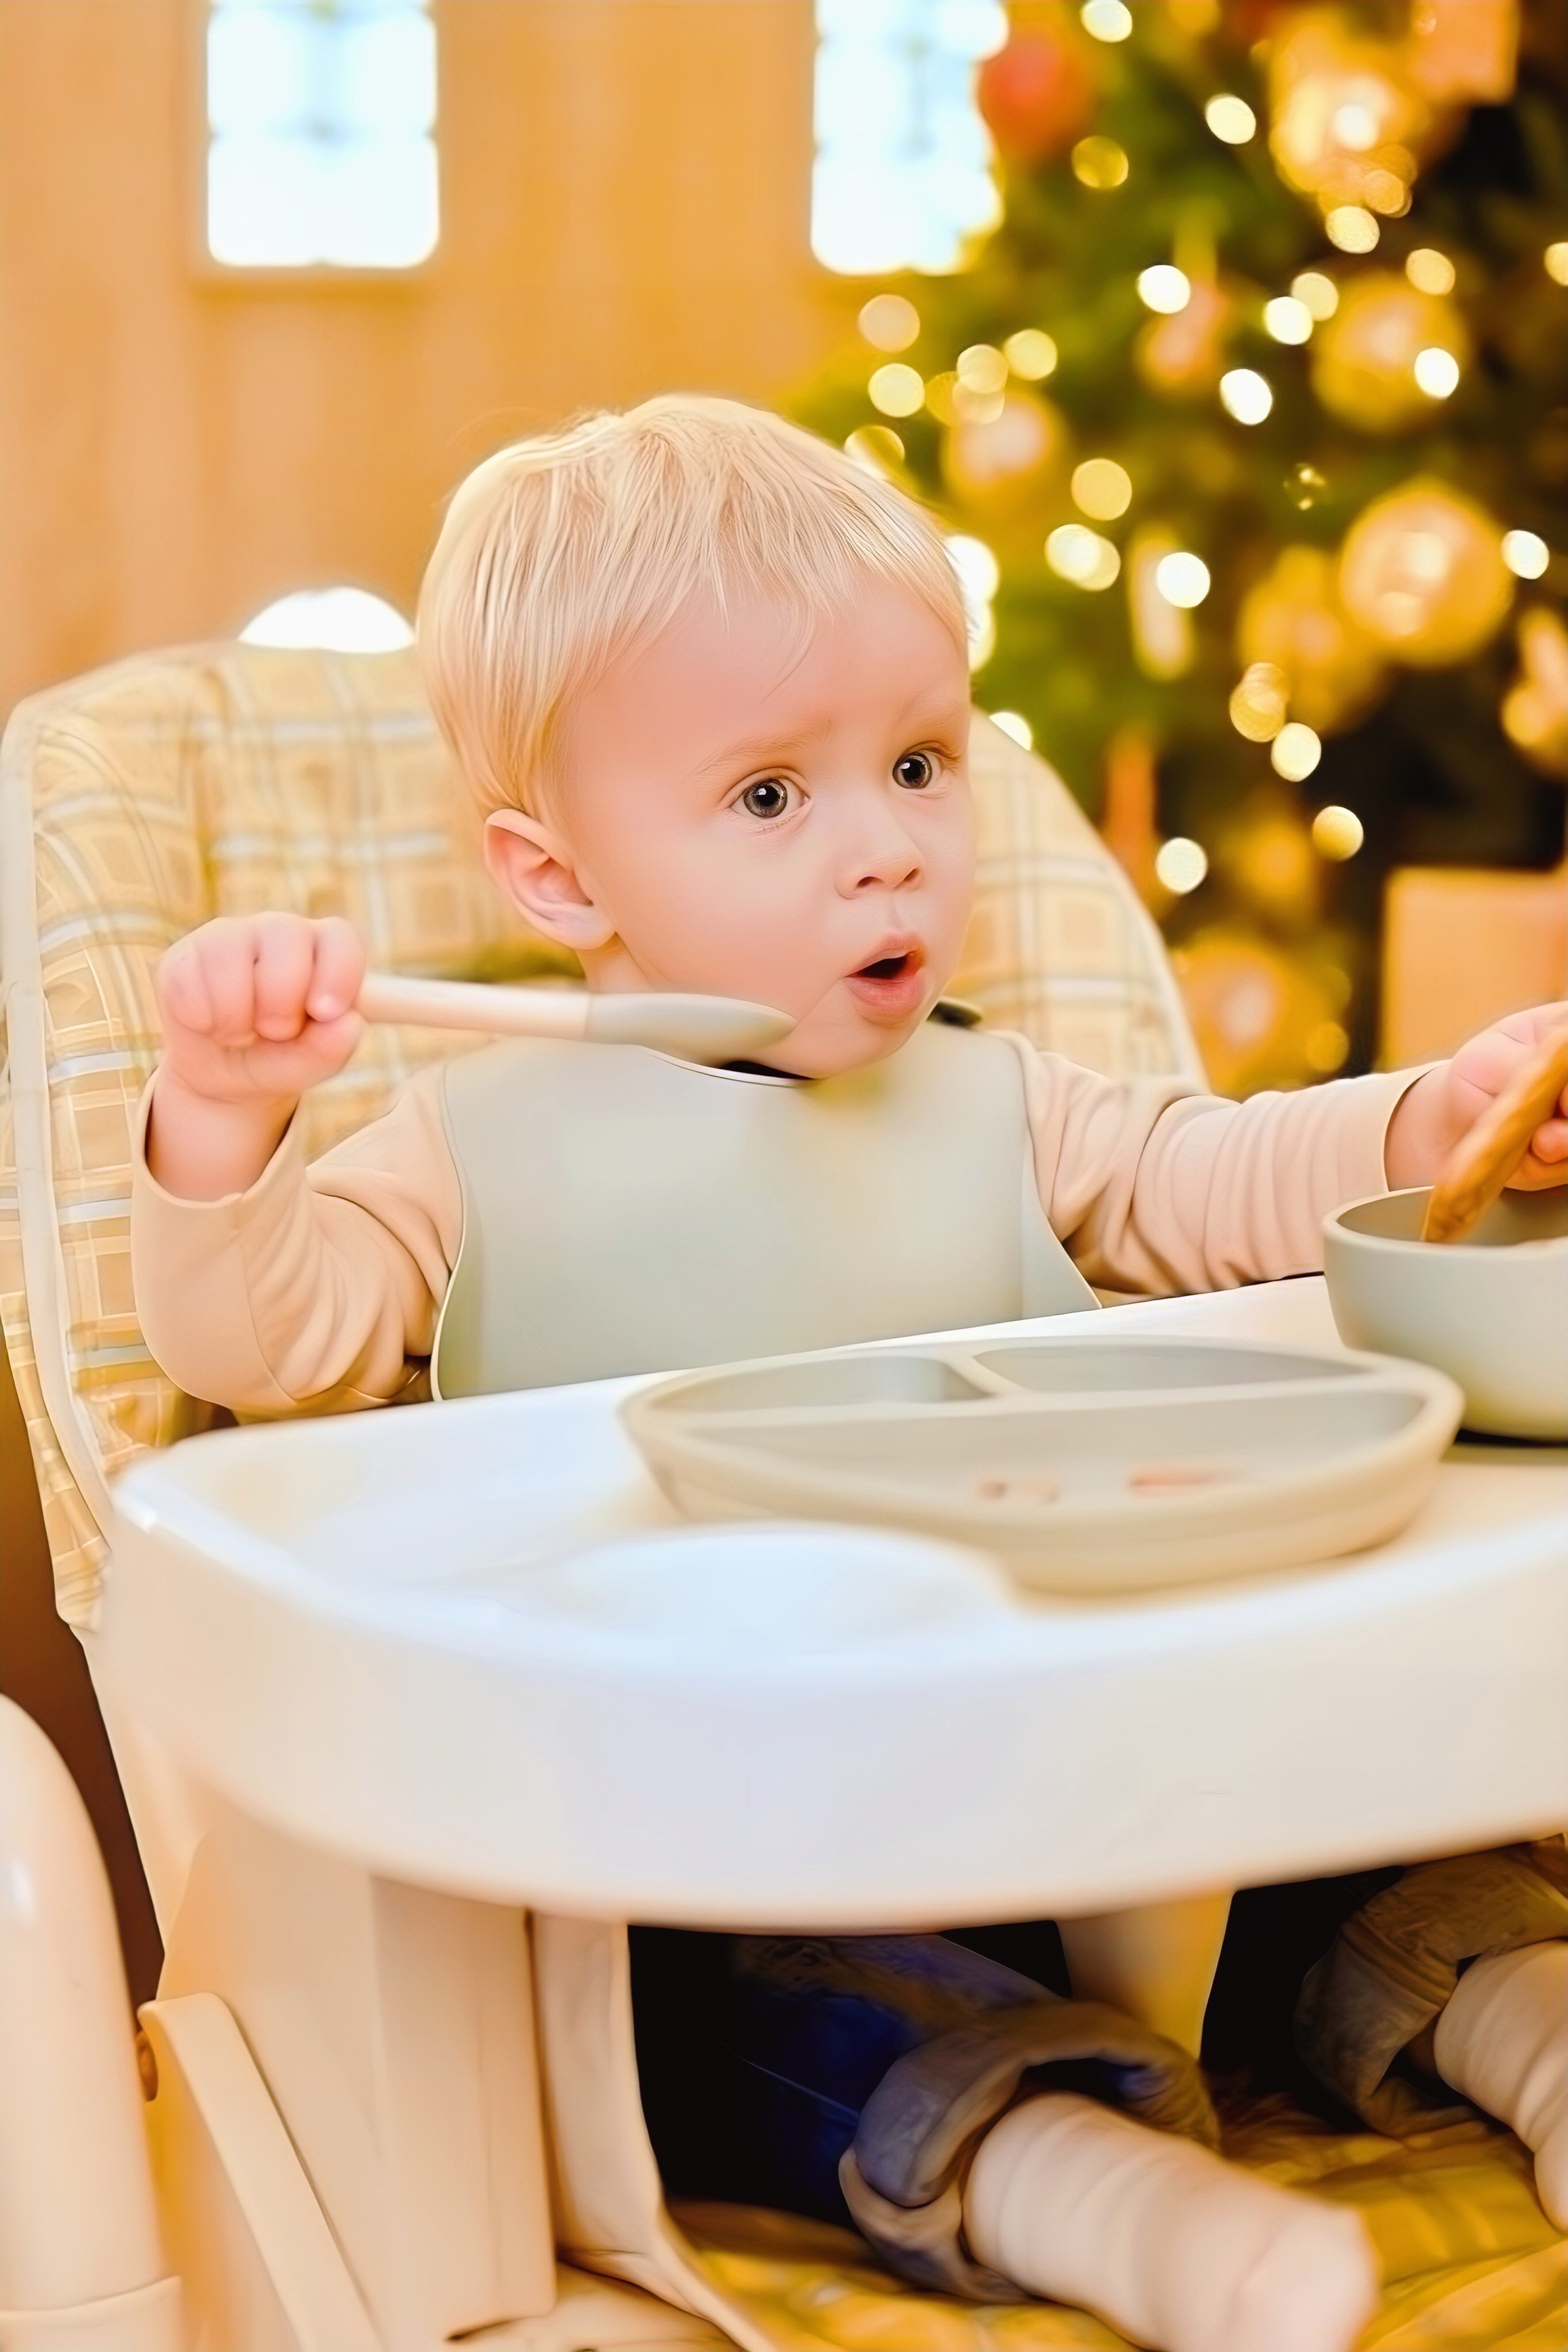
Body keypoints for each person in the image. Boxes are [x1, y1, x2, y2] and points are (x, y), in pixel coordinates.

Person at [130, 397, 1568, 2352]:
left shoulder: (999, 1099)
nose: (887, 850)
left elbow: (1222, 1184)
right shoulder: (473, 1151)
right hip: (731, 1826)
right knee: (730, 2005)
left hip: (1102, 1759)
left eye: (915, 764)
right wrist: (223, 1124)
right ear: (560, 885)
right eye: (771, 798)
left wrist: (1428, 1126)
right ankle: (1080, 2182)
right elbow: (259, 1349)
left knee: (1371, 1826)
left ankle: (1526, 2023)